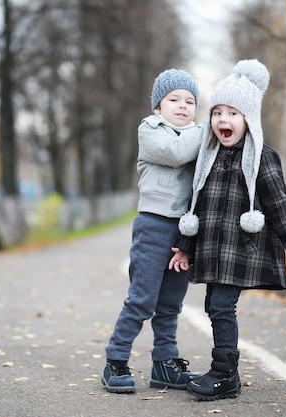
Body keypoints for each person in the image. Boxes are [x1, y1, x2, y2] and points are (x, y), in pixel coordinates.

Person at [168, 59, 286, 401]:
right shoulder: (207, 158)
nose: (223, 120)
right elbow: (196, 207)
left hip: (240, 251)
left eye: (233, 113)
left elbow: (279, 202)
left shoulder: (261, 157)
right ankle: (226, 372)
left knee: (222, 305)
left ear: (248, 119)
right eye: (217, 112)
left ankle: (225, 375)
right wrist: (184, 245)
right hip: (213, 250)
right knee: (215, 305)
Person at [102, 68, 204, 393]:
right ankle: (115, 360)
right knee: (142, 299)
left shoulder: (196, 136)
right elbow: (174, 154)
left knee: (172, 301)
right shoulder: (151, 130)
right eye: (174, 99)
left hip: (184, 230)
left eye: (190, 101)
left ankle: (165, 364)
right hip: (154, 225)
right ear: (158, 106)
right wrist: (206, 131)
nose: (183, 105)